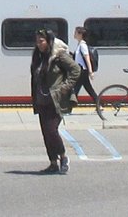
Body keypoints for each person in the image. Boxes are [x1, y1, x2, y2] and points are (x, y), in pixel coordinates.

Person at [30, 29, 81, 174]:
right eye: (37, 41)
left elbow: (76, 70)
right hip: (42, 99)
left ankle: (63, 156)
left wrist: (64, 88)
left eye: (42, 41)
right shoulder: (38, 56)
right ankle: (53, 163)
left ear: (49, 41)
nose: (39, 44)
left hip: (55, 99)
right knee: (46, 132)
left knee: (52, 130)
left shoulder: (59, 56)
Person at [72, 27, 98, 107]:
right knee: (88, 88)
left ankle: (69, 107)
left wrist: (90, 71)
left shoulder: (82, 45)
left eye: (76, 32)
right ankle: (98, 104)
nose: (74, 34)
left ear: (80, 34)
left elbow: (87, 59)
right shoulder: (79, 44)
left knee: (75, 89)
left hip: (82, 71)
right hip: (81, 70)